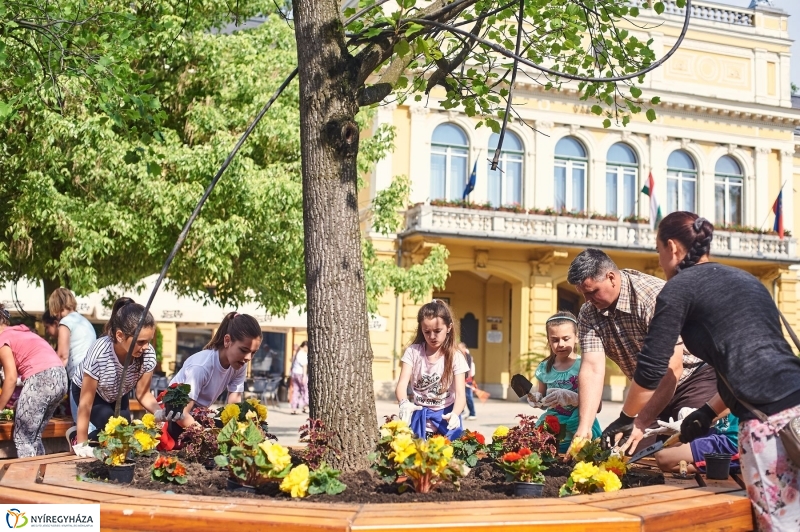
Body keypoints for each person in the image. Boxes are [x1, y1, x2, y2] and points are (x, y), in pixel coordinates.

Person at [612, 211, 800, 530]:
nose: (659, 262)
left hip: (767, 424)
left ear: (672, 247)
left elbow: (652, 366)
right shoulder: (746, 280)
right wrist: (706, 412)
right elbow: (747, 361)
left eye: (658, 252)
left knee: (780, 522)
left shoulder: (678, 289)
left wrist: (634, 420)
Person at [566, 248, 718, 450]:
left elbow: (673, 367)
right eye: (583, 294)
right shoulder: (588, 313)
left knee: (682, 451)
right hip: (652, 389)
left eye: (592, 291)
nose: (587, 300)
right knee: (629, 452)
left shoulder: (653, 298)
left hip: (694, 380)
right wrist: (584, 429)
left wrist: (640, 422)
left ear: (611, 277)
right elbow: (592, 368)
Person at [71, 298, 181, 458]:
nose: (146, 347)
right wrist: (82, 445)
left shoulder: (147, 354)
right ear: (120, 336)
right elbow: (86, 404)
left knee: (126, 436)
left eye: (148, 341)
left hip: (118, 393)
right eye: (141, 342)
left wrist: (160, 413)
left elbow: (143, 394)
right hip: (93, 394)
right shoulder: (100, 353)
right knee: (116, 431)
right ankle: (76, 438)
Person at [160, 312, 261, 449]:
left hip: (194, 418)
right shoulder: (201, 366)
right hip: (170, 418)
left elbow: (234, 407)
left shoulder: (240, 363)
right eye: (244, 350)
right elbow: (181, 414)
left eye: (253, 353)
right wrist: (210, 437)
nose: (248, 357)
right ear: (227, 341)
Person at [527, 311, 602, 453]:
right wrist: (536, 399)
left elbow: (597, 406)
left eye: (566, 338)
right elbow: (543, 402)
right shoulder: (544, 368)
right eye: (554, 339)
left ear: (576, 337)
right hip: (553, 427)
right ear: (548, 340)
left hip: (580, 425)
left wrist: (573, 398)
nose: (560, 344)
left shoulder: (585, 366)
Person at [0, 304, 68, 457]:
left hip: (41, 380)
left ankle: (28, 478)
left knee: (23, 439)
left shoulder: (2, 339)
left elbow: (10, 378)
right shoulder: (21, 332)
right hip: (60, 378)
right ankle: (40, 474)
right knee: (34, 437)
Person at [395, 299, 468, 440]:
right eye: (427, 332)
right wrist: (404, 403)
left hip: (446, 419)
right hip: (420, 416)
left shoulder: (456, 356)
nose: (432, 336)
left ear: (449, 327)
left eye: (437, 331)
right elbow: (401, 385)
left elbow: (460, 395)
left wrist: (455, 414)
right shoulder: (413, 352)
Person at [48, 288, 97, 424]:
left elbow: (62, 357)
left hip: (79, 378)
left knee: (81, 426)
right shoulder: (85, 322)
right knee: (92, 426)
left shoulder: (66, 323)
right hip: (95, 376)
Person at [647, 407, 740, 476]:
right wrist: (700, 415)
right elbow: (729, 399)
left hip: (736, 442)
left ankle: (734, 466)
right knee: (664, 449)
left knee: (663, 458)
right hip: (722, 429)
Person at [458, 342, 477, 420]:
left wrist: (465, 380)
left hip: (467, 380)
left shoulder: (468, 357)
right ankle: (462, 412)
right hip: (460, 380)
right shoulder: (459, 356)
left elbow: (468, 370)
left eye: (459, 348)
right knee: (459, 396)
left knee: (468, 397)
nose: (458, 349)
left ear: (464, 348)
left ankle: (472, 413)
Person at [289, 341, 309, 415]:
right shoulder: (302, 353)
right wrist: (304, 376)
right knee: (305, 390)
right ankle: (305, 406)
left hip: (294, 373)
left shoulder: (297, 353)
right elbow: (304, 365)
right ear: (305, 346)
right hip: (300, 374)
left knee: (296, 391)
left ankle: (294, 408)